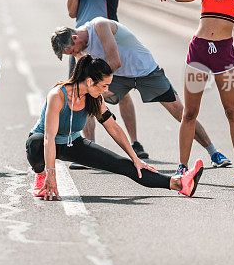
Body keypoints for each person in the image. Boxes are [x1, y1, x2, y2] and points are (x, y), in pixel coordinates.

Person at [51, 18, 232, 170]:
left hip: (146, 72)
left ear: (75, 38)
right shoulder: (80, 48)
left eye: (73, 51)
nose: (75, 55)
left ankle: (214, 152)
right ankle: (87, 153)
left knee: (181, 113)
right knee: (84, 95)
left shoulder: (99, 26)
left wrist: (93, 83)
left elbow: (115, 62)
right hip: (119, 78)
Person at [25, 0, 147, 160]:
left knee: (120, 90)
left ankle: (134, 142)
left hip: (106, 38)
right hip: (80, 42)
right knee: (83, 89)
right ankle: (88, 143)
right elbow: (72, 12)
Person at [25, 55, 204, 200]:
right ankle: (40, 176)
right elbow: (49, 137)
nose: (106, 90)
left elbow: (113, 128)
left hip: (72, 143)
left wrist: (134, 158)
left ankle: (180, 184)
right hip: (44, 144)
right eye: (103, 85)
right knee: (35, 143)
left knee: (125, 165)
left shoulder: (95, 98)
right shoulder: (58, 95)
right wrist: (50, 174)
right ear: (89, 82)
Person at [158, 0, 234, 183]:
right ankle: (182, 166)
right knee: (189, 112)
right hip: (199, 51)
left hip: (223, 52)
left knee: (231, 111)